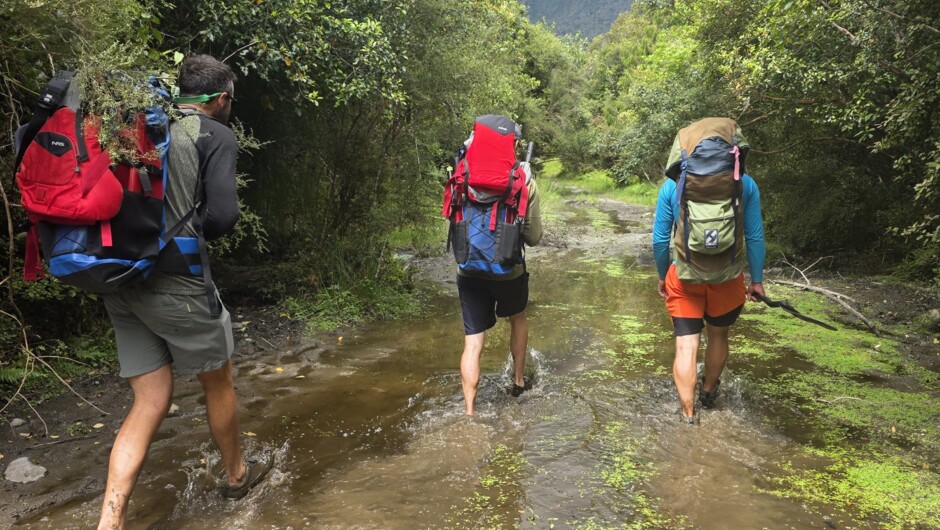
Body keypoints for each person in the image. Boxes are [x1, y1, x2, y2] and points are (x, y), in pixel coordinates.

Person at [97, 55, 271, 530]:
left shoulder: (144, 125)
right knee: (217, 380)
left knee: (149, 400)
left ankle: (109, 520)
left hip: (121, 278)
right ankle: (237, 476)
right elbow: (223, 217)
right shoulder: (214, 134)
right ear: (220, 98)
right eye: (230, 99)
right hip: (178, 281)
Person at [651, 118, 766, 424]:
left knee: (687, 345)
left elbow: (660, 239)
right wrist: (756, 280)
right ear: (733, 151)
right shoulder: (746, 185)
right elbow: (754, 237)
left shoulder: (672, 186)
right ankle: (709, 393)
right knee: (718, 336)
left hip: (684, 278)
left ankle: (689, 416)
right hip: (728, 279)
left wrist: (664, 275)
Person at [457, 122, 543, 416]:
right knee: (517, 317)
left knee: (472, 342)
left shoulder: (464, 172)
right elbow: (533, 237)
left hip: (468, 269)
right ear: (513, 144)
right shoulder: (523, 178)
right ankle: (518, 381)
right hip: (508, 270)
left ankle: (469, 410)